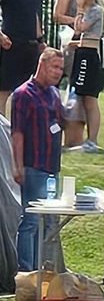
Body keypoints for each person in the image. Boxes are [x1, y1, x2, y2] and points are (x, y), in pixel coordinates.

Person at [10, 49, 63, 272]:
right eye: (55, 67)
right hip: (33, 166)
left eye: (61, 69)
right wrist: (18, 165)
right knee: (31, 220)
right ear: (42, 65)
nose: (59, 73)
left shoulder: (53, 94)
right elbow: (17, 133)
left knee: (50, 222)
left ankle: (46, 270)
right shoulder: (23, 94)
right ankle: (26, 271)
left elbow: (61, 124)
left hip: (52, 167)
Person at [51, 0, 96, 148]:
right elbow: (57, 16)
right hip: (72, 43)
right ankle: (70, 134)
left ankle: (89, 138)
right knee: (74, 85)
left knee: (89, 91)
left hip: (90, 44)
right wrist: (77, 22)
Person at [67, 0, 104, 153]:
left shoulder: (95, 10)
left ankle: (92, 140)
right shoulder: (86, 11)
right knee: (81, 96)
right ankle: (79, 138)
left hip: (89, 56)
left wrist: (79, 9)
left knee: (90, 98)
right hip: (81, 52)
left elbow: (81, 28)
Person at [0, 0, 45, 117]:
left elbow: (34, 14)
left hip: (30, 44)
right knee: (4, 88)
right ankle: (2, 133)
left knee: (30, 87)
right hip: (9, 44)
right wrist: (1, 36)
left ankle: (25, 127)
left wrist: (40, 41)